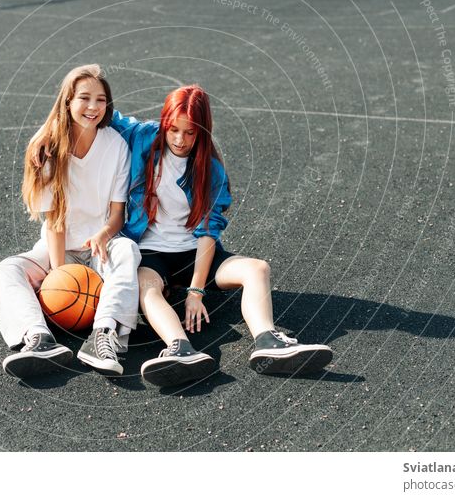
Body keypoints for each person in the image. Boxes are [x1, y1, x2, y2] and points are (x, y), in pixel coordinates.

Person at [110, 85, 334, 387]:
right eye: (173, 129)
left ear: (202, 131)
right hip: (151, 253)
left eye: (190, 133)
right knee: (144, 286)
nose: (179, 140)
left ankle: (268, 341)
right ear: (164, 122)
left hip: (195, 253)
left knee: (257, 269)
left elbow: (207, 232)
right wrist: (48, 139)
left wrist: (195, 291)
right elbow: (100, 114)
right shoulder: (141, 137)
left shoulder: (210, 170)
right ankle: (179, 348)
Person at [0, 64, 141, 380]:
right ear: (68, 101)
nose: (92, 107)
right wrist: (59, 274)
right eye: (84, 98)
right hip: (57, 249)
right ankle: (37, 337)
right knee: (7, 269)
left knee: (127, 250)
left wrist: (103, 233)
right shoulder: (48, 150)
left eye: (100, 100)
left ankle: (103, 334)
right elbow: (55, 221)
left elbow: (117, 214)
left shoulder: (115, 145)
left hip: (99, 245)